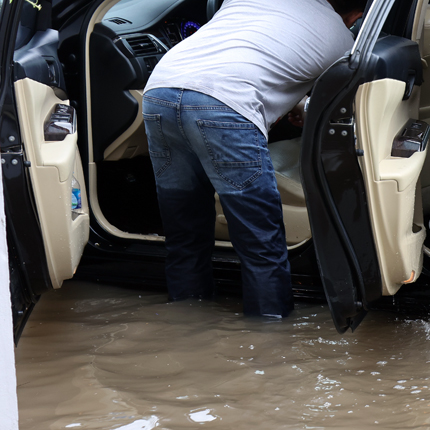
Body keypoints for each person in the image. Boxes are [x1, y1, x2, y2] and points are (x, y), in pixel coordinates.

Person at [142, 0, 365, 318]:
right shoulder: (343, 42)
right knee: (261, 246)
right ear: (355, 16)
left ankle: (186, 328)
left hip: (160, 90)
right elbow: (338, 110)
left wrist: (294, 106)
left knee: (185, 236)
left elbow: (258, 56)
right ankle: (267, 343)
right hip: (225, 105)